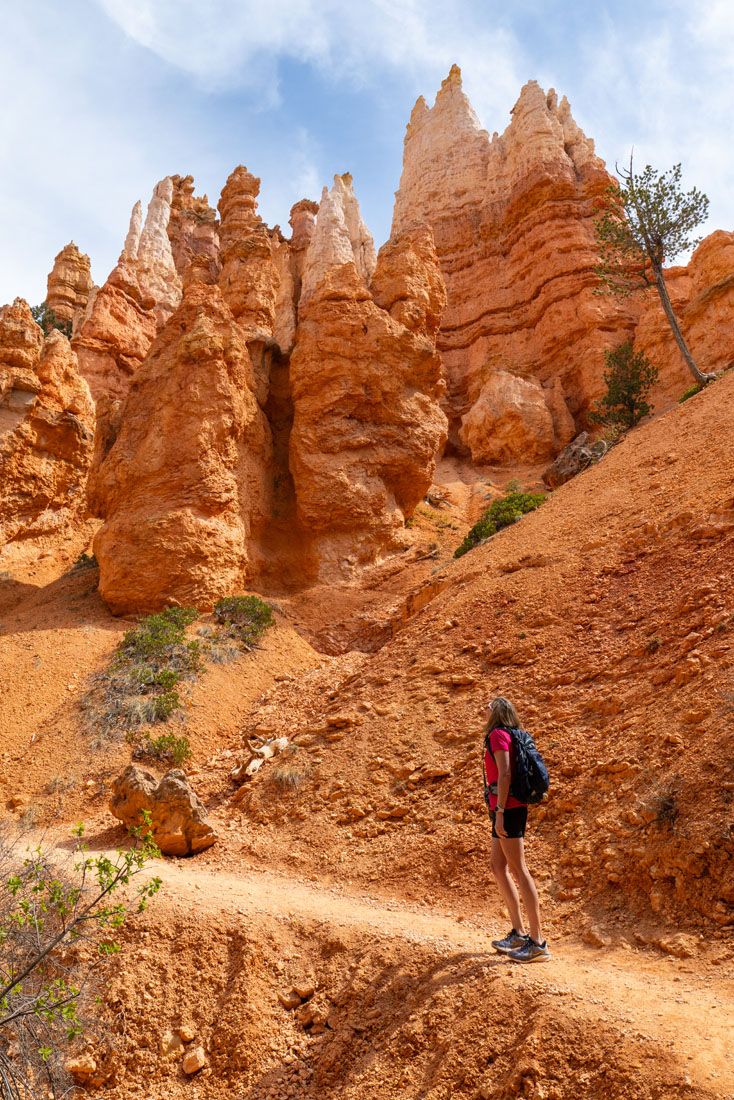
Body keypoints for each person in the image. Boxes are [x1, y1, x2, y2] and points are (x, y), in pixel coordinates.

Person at [483, 696, 550, 962]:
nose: (484, 712)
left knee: (519, 869)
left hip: (508, 808)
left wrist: (499, 812)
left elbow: (505, 774)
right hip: (508, 807)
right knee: (498, 866)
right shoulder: (512, 733)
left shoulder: (498, 735)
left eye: (487, 709)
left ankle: (538, 942)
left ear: (495, 713)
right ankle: (519, 933)